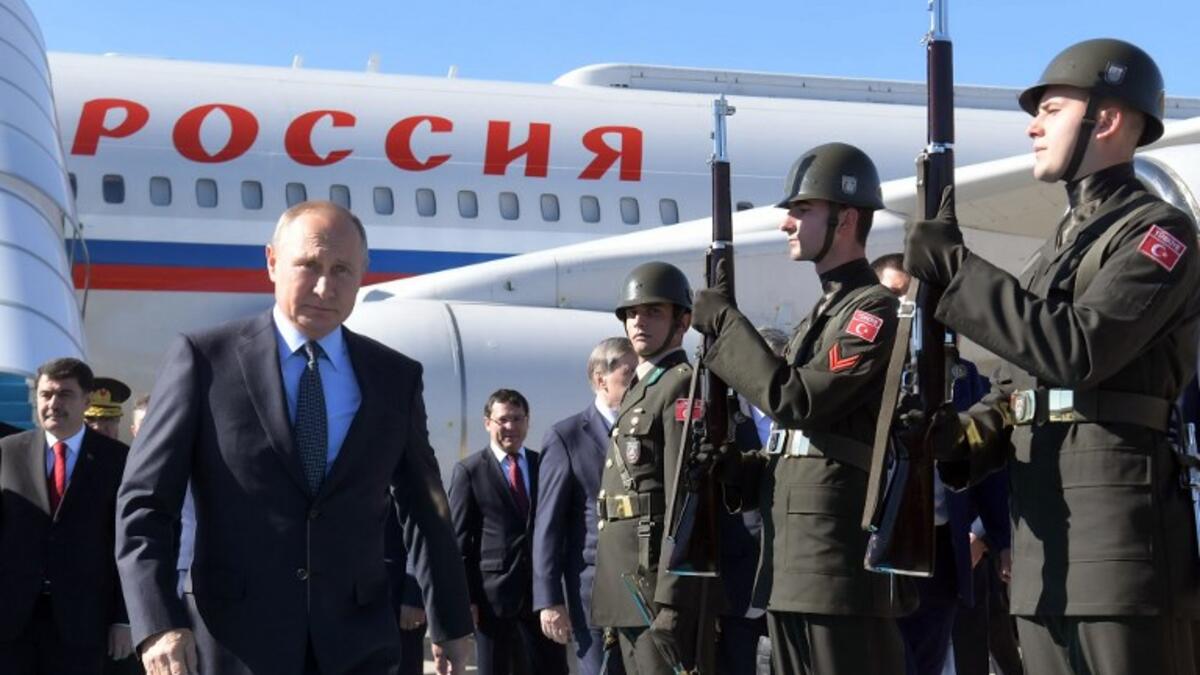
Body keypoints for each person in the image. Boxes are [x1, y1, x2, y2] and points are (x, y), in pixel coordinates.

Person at [904, 39, 1200, 674]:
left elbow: (1077, 349)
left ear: (1108, 119)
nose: (1033, 127)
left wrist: (958, 269)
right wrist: (954, 438)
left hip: (1120, 549)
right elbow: (1016, 388)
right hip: (1043, 551)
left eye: (1052, 110)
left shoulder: (1159, 232)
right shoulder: (1055, 251)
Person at [116, 201, 473, 675]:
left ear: (363, 274)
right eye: (308, 265)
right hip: (235, 644)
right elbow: (145, 503)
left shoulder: (394, 377)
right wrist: (158, 622)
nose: (325, 287)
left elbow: (425, 509)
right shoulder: (204, 361)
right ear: (272, 262)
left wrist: (451, 622)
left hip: (358, 644)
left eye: (342, 270)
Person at [690, 143, 914, 675]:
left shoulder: (872, 311)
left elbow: (800, 401)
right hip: (791, 564)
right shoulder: (823, 313)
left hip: (834, 564)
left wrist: (728, 326)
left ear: (846, 218)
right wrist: (738, 470)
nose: (787, 223)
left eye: (802, 209)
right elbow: (799, 442)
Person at [871, 254, 1013, 675]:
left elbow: (990, 464)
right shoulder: (864, 374)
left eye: (915, 296)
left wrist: (987, 535)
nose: (906, 307)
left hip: (941, 551)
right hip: (877, 546)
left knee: (927, 661)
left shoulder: (966, 379)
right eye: (894, 295)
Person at [591, 261, 719, 675]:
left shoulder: (679, 384)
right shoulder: (643, 387)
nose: (639, 322)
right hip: (627, 579)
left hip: (653, 586)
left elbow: (686, 499)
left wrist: (673, 599)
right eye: (632, 313)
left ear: (682, 321)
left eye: (653, 312)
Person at [0, 357, 133, 674]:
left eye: (65, 394)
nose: (53, 404)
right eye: (46, 394)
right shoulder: (7, 451)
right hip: (12, 620)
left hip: (83, 622)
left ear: (86, 401)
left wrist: (124, 618)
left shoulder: (118, 460)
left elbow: (128, 543)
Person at [533, 337, 636, 675]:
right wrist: (549, 599)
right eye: (629, 374)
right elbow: (548, 525)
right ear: (600, 378)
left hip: (643, 590)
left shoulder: (651, 430)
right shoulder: (567, 437)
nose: (639, 383)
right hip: (592, 592)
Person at [449, 389, 568, 675]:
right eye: (502, 420)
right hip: (492, 602)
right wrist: (466, 599)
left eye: (517, 419)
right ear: (487, 423)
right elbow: (459, 543)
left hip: (541, 597)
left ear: (528, 422)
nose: (510, 427)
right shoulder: (469, 471)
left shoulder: (543, 465)